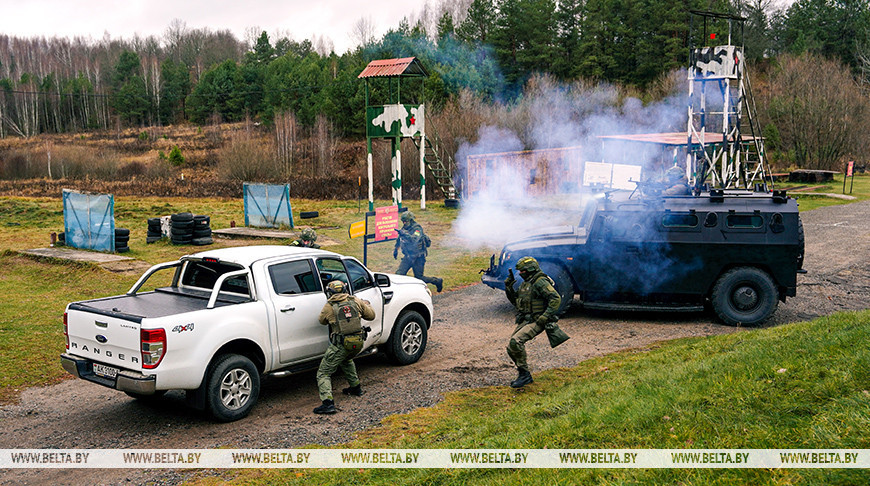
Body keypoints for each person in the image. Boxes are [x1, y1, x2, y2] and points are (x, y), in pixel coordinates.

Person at [313, 280, 375, 414]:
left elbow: (322, 321)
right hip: (358, 343)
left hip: (341, 344)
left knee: (323, 373)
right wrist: (366, 304)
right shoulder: (356, 301)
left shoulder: (329, 306)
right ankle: (355, 388)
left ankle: (328, 403)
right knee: (346, 360)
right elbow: (371, 316)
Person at [503, 256, 561, 388]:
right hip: (526, 319)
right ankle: (523, 374)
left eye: (522, 271)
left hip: (537, 319)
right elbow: (516, 302)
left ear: (530, 269)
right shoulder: (526, 283)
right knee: (511, 348)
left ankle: (525, 376)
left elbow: (555, 298)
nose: (520, 273)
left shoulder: (540, 281)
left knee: (516, 341)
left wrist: (545, 316)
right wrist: (509, 287)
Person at [393, 211, 443, 292]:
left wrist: (404, 234)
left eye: (406, 221)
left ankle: (437, 281)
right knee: (399, 275)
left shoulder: (417, 229)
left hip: (418, 258)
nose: (404, 223)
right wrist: (396, 249)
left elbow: (414, 239)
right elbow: (399, 239)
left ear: (411, 220)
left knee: (419, 278)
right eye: (403, 221)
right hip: (408, 257)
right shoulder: (404, 228)